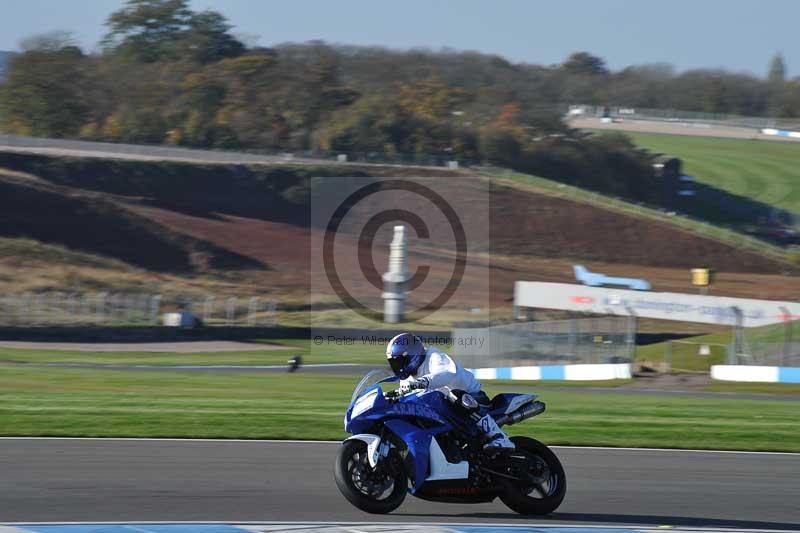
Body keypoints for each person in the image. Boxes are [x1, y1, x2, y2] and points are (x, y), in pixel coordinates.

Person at [385, 332, 514, 450]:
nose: (398, 367)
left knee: (456, 396)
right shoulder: (408, 379)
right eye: (394, 364)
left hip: (473, 399)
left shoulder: (434, 356)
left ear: (413, 354)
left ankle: (499, 437)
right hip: (447, 408)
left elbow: (446, 373)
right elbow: (406, 395)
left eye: (400, 361)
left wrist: (422, 382)